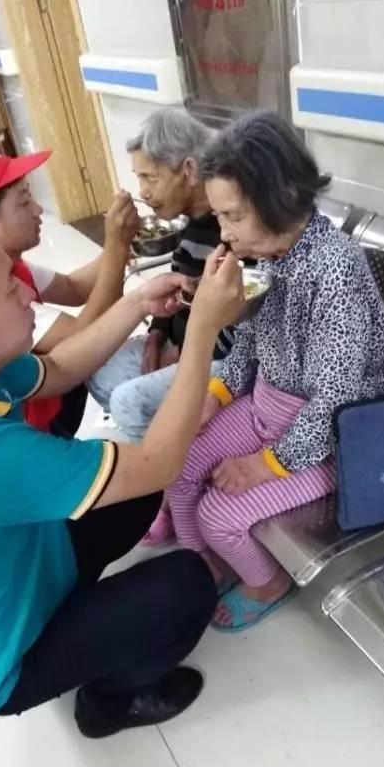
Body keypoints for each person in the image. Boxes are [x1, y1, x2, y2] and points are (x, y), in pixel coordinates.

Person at [0, 204, 244, 734]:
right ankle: (105, 705)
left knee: (130, 490)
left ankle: (84, 618)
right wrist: (202, 331)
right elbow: (158, 463)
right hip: (10, 660)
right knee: (187, 583)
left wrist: (136, 303)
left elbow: (57, 369)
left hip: (35, 566)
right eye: (7, 286)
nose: (25, 290)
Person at [166, 110, 384, 632]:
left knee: (217, 513)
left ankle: (265, 581)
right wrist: (215, 396)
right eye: (219, 217)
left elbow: (336, 400)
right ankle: (204, 561)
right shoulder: (272, 255)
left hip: (328, 441)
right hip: (267, 409)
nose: (223, 234)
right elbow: (249, 343)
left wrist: (266, 465)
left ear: (281, 198)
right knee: (176, 464)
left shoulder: (335, 269)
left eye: (232, 217)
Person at [89, 109, 236, 542]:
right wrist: (156, 333)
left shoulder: (233, 226)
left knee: (129, 400)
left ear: (188, 170)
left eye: (150, 178)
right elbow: (176, 286)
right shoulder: (192, 228)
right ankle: (178, 449)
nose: (142, 192)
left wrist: (185, 356)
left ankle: (171, 493)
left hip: (224, 358)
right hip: (184, 348)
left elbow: (242, 327)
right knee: (99, 368)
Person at [0, 139, 140, 436]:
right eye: (24, 202)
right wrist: (117, 249)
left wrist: (118, 241)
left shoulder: (9, 264)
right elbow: (88, 332)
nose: (38, 209)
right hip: (32, 427)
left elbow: (73, 287)